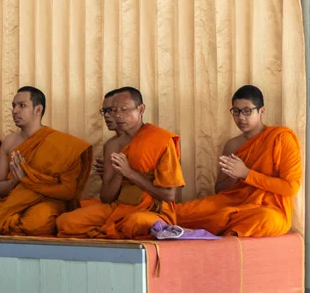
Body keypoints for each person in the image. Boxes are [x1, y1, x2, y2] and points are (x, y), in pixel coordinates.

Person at [0, 86, 92, 236]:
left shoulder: (63, 145)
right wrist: (15, 182)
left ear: (38, 110)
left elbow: (68, 192)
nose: (15, 111)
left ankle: (6, 223)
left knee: (37, 223)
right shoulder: (9, 142)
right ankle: (13, 222)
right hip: (11, 204)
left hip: (45, 203)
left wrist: (27, 180)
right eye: (13, 106)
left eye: (22, 106)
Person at [56, 86, 185, 239]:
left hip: (153, 211)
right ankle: (115, 228)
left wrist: (129, 173)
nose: (118, 115)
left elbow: (169, 195)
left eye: (124, 109)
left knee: (134, 223)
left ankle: (144, 227)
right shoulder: (113, 145)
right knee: (66, 222)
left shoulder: (161, 140)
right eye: (114, 110)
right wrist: (118, 174)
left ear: (141, 109)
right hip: (119, 207)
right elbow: (106, 198)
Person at [176, 85, 302, 237]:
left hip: (267, 209)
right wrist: (233, 177)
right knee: (180, 212)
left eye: (247, 111)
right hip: (231, 204)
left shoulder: (281, 138)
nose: (241, 117)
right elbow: (220, 190)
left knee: (266, 219)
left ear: (261, 111)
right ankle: (220, 225)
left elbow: (290, 188)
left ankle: (220, 227)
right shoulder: (232, 145)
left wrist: (246, 173)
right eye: (236, 111)